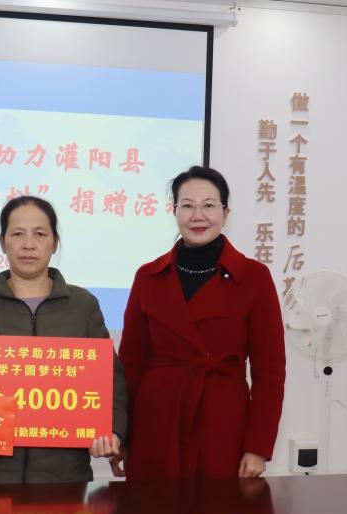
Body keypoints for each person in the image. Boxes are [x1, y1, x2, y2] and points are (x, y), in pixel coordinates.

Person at [0, 196, 127, 483]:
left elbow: (111, 380)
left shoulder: (83, 305)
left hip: (65, 477)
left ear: (54, 242)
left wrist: (113, 432)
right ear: (3, 241)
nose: (28, 244)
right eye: (17, 234)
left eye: (40, 234)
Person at [118, 166, 285, 480]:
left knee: (219, 509)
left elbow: (270, 374)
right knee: (151, 510)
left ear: (225, 213)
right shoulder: (148, 276)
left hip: (222, 423)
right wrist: (122, 436)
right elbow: (130, 365)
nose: (198, 215)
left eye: (208, 205)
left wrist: (258, 446)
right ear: (174, 211)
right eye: (187, 205)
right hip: (156, 423)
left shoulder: (253, 277)